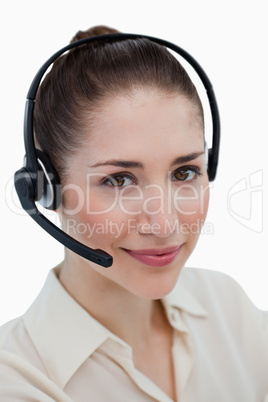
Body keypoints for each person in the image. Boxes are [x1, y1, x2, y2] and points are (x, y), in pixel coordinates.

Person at [0, 25, 267, 402]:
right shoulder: (17, 379)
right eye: (119, 180)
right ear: (44, 188)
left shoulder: (227, 306)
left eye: (185, 172)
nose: (164, 224)